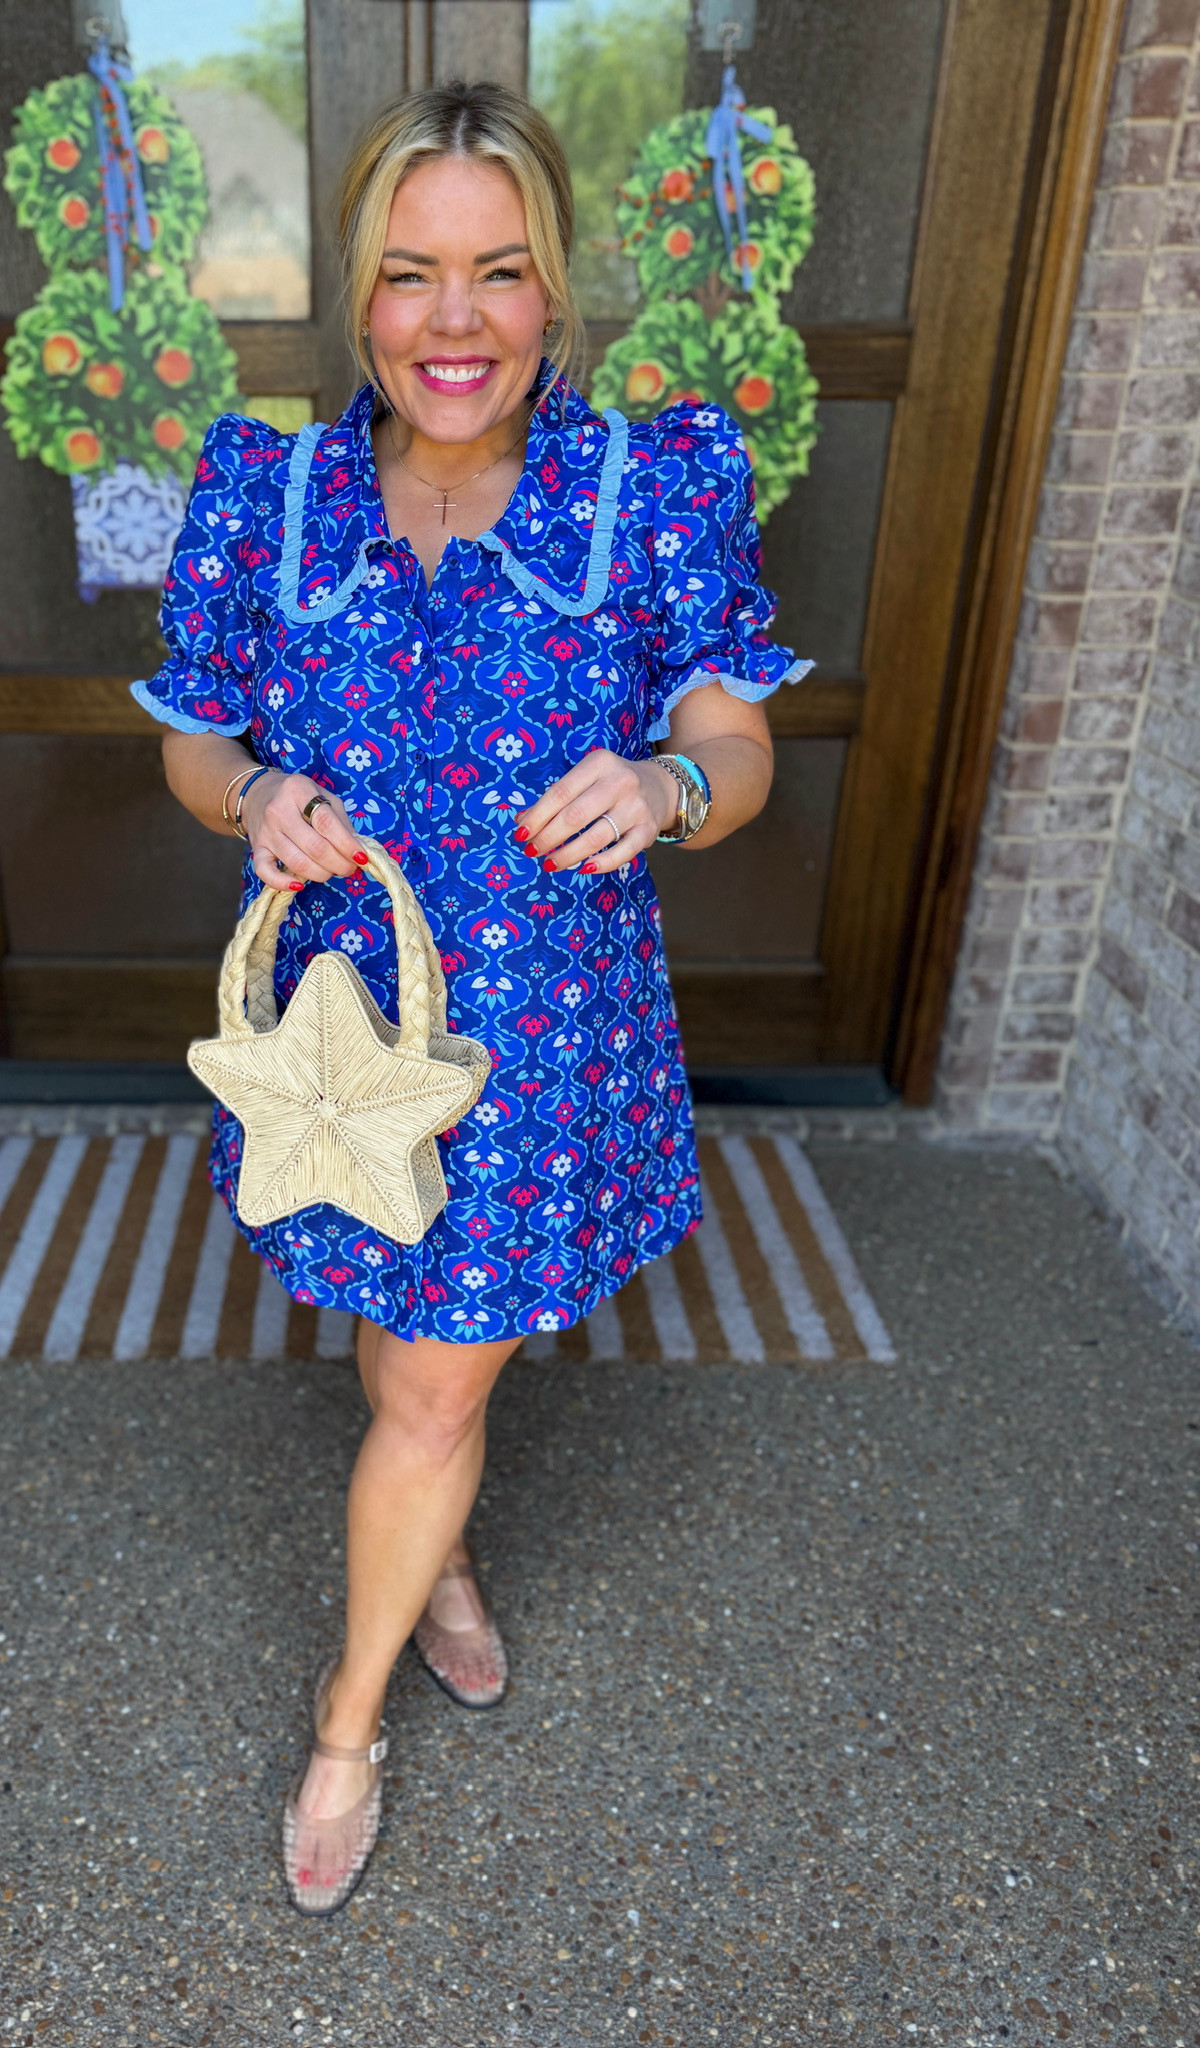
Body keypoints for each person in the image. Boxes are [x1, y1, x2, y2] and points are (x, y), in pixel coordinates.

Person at [133, 78, 807, 1916]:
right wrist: (257, 792)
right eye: (413, 275)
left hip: (540, 1037)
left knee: (432, 1385)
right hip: (342, 1035)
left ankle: (345, 1728)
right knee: (403, 1327)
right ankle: (429, 1559)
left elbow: (737, 745)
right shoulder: (262, 491)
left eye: (499, 274)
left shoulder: (650, 483)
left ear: (553, 284)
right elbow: (198, 745)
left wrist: (672, 787)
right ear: (357, 294)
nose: (455, 324)